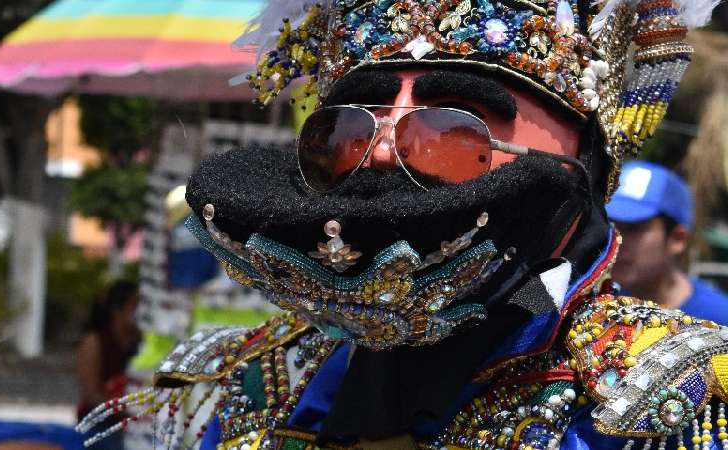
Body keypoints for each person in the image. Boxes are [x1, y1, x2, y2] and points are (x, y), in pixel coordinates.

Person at [77, 0, 728, 449]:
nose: (381, 150)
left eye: (452, 126)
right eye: (347, 128)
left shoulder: (674, 400)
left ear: (584, 157)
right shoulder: (238, 386)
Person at [607, 160, 728, 324]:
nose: (616, 239)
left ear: (677, 239)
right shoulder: (600, 301)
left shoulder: (718, 321)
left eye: (633, 228)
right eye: (610, 225)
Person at [76, 280, 140, 450]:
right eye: (136, 305)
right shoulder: (94, 342)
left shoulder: (142, 341)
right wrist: (129, 409)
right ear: (117, 309)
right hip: (103, 423)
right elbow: (92, 395)